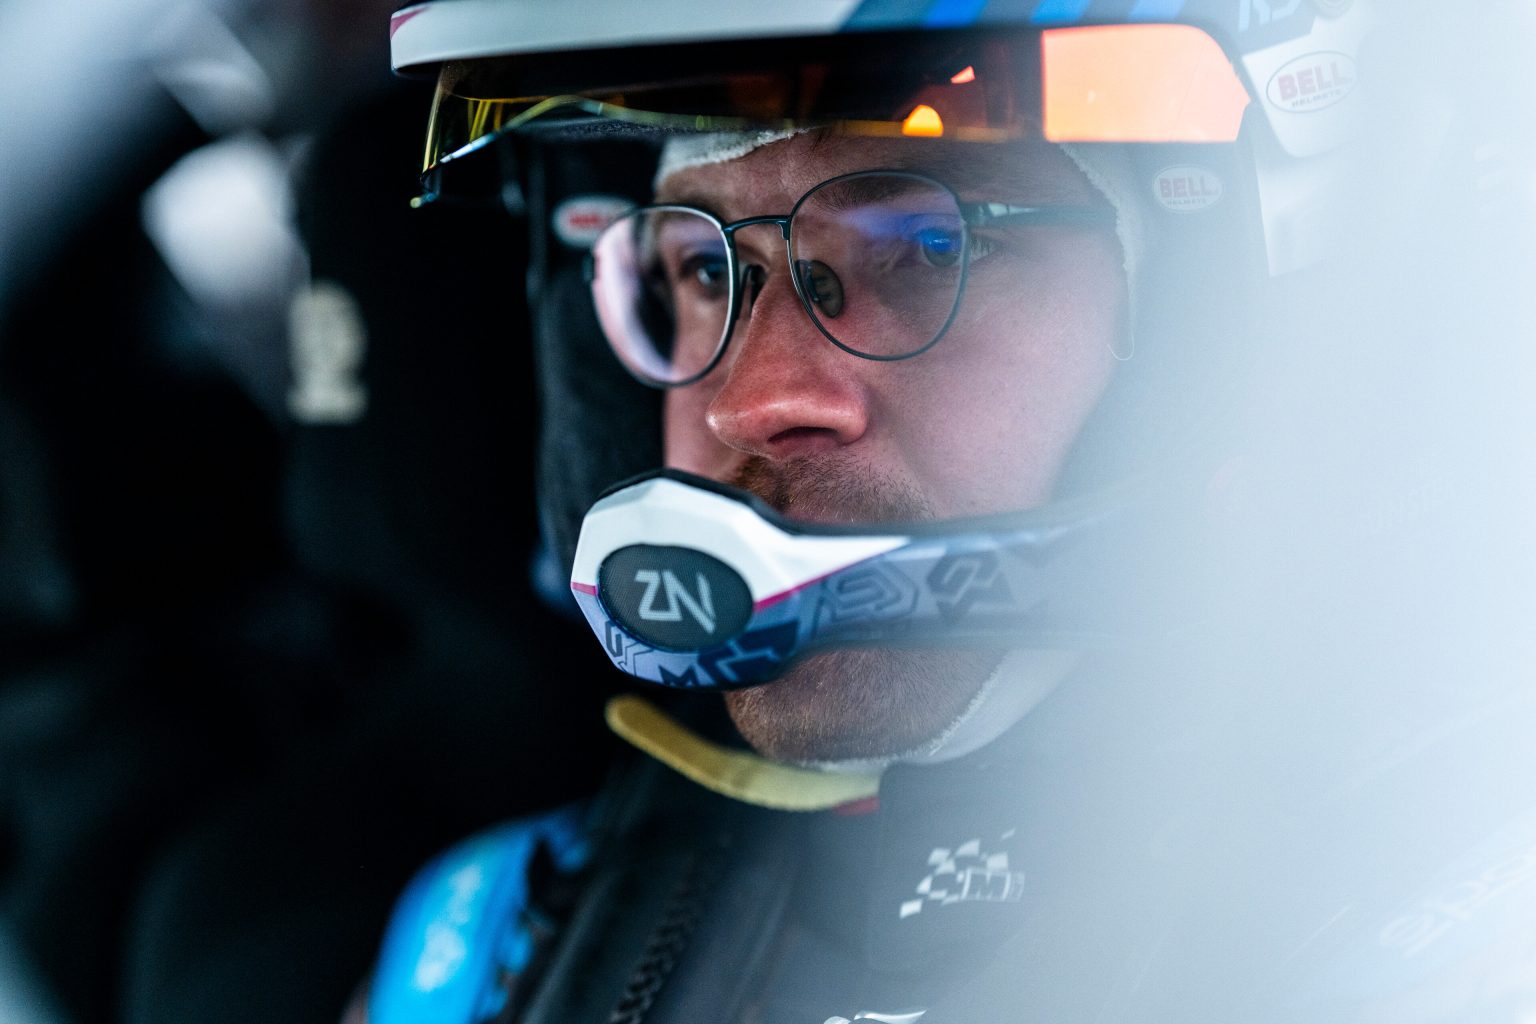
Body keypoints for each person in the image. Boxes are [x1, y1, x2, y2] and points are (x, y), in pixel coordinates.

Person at [357, 3, 1536, 1022]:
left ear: (1217, 330)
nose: (754, 402)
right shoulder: (486, 943)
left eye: (927, 246)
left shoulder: (1470, 947)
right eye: (709, 273)